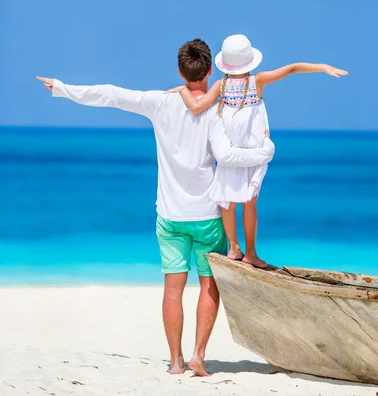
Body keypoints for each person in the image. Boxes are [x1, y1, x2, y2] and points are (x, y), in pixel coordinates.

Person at [36, 38, 275, 377]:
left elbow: (111, 94)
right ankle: (198, 355)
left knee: (172, 289)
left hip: (170, 216)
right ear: (210, 70)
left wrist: (62, 88)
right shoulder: (216, 109)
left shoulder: (159, 102)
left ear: (180, 71)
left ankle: (176, 361)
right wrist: (265, 152)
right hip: (208, 217)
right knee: (209, 285)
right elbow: (227, 156)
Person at [170, 34, 348, 270]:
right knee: (249, 203)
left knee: (227, 203)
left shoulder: (220, 86)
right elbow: (292, 68)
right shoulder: (258, 81)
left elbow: (197, 107)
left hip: (229, 153)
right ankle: (251, 253)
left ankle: (234, 248)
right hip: (253, 153)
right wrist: (323, 67)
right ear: (249, 60)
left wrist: (181, 90)